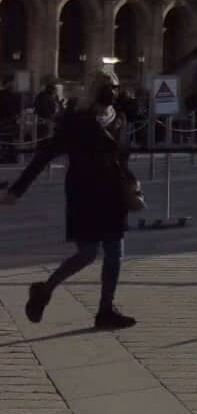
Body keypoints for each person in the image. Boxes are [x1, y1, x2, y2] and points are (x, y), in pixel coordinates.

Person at [6, 70, 140, 330]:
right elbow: (44, 156)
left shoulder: (120, 120)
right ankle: (44, 290)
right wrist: (17, 191)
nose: (113, 91)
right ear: (93, 89)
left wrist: (132, 184)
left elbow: (122, 158)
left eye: (115, 86)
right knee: (88, 253)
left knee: (115, 253)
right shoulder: (76, 121)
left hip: (113, 195)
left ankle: (105, 310)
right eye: (107, 86)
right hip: (84, 194)